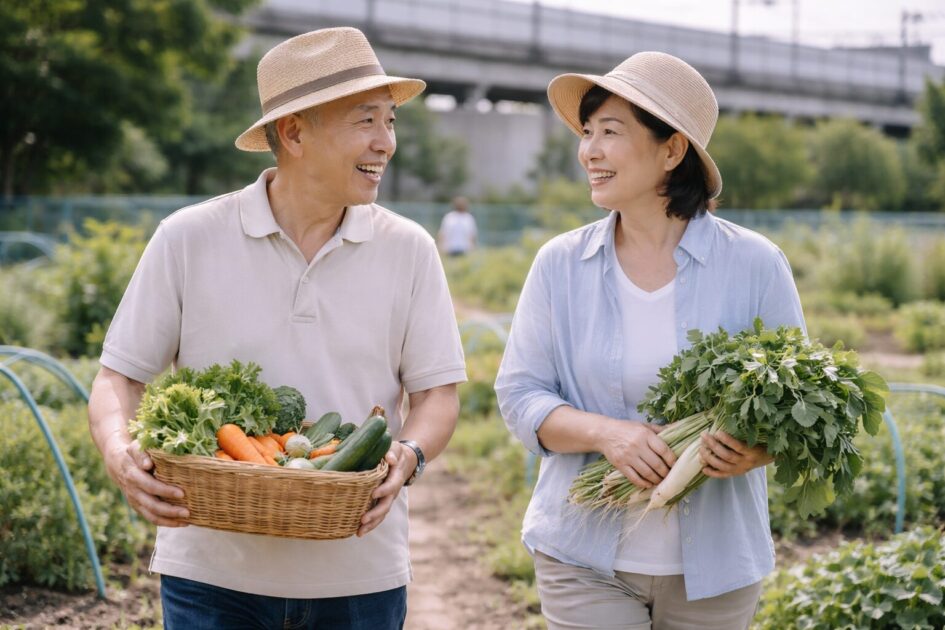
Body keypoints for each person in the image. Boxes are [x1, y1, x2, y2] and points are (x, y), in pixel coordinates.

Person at [87, 27, 466, 629]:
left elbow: (437, 398)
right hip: (211, 575)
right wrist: (118, 452)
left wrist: (410, 454)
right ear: (293, 133)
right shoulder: (189, 237)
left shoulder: (409, 249)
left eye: (391, 121)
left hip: (358, 576)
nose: (386, 142)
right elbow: (118, 377)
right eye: (366, 120)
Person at [494, 52, 805, 629]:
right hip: (582, 553)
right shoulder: (560, 264)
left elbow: (797, 408)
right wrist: (608, 434)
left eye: (610, 133)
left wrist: (753, 453)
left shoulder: (755, 264)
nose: (589, 150)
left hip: (716, 567)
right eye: (587, 133)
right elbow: (520, 396)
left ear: (672, 149)